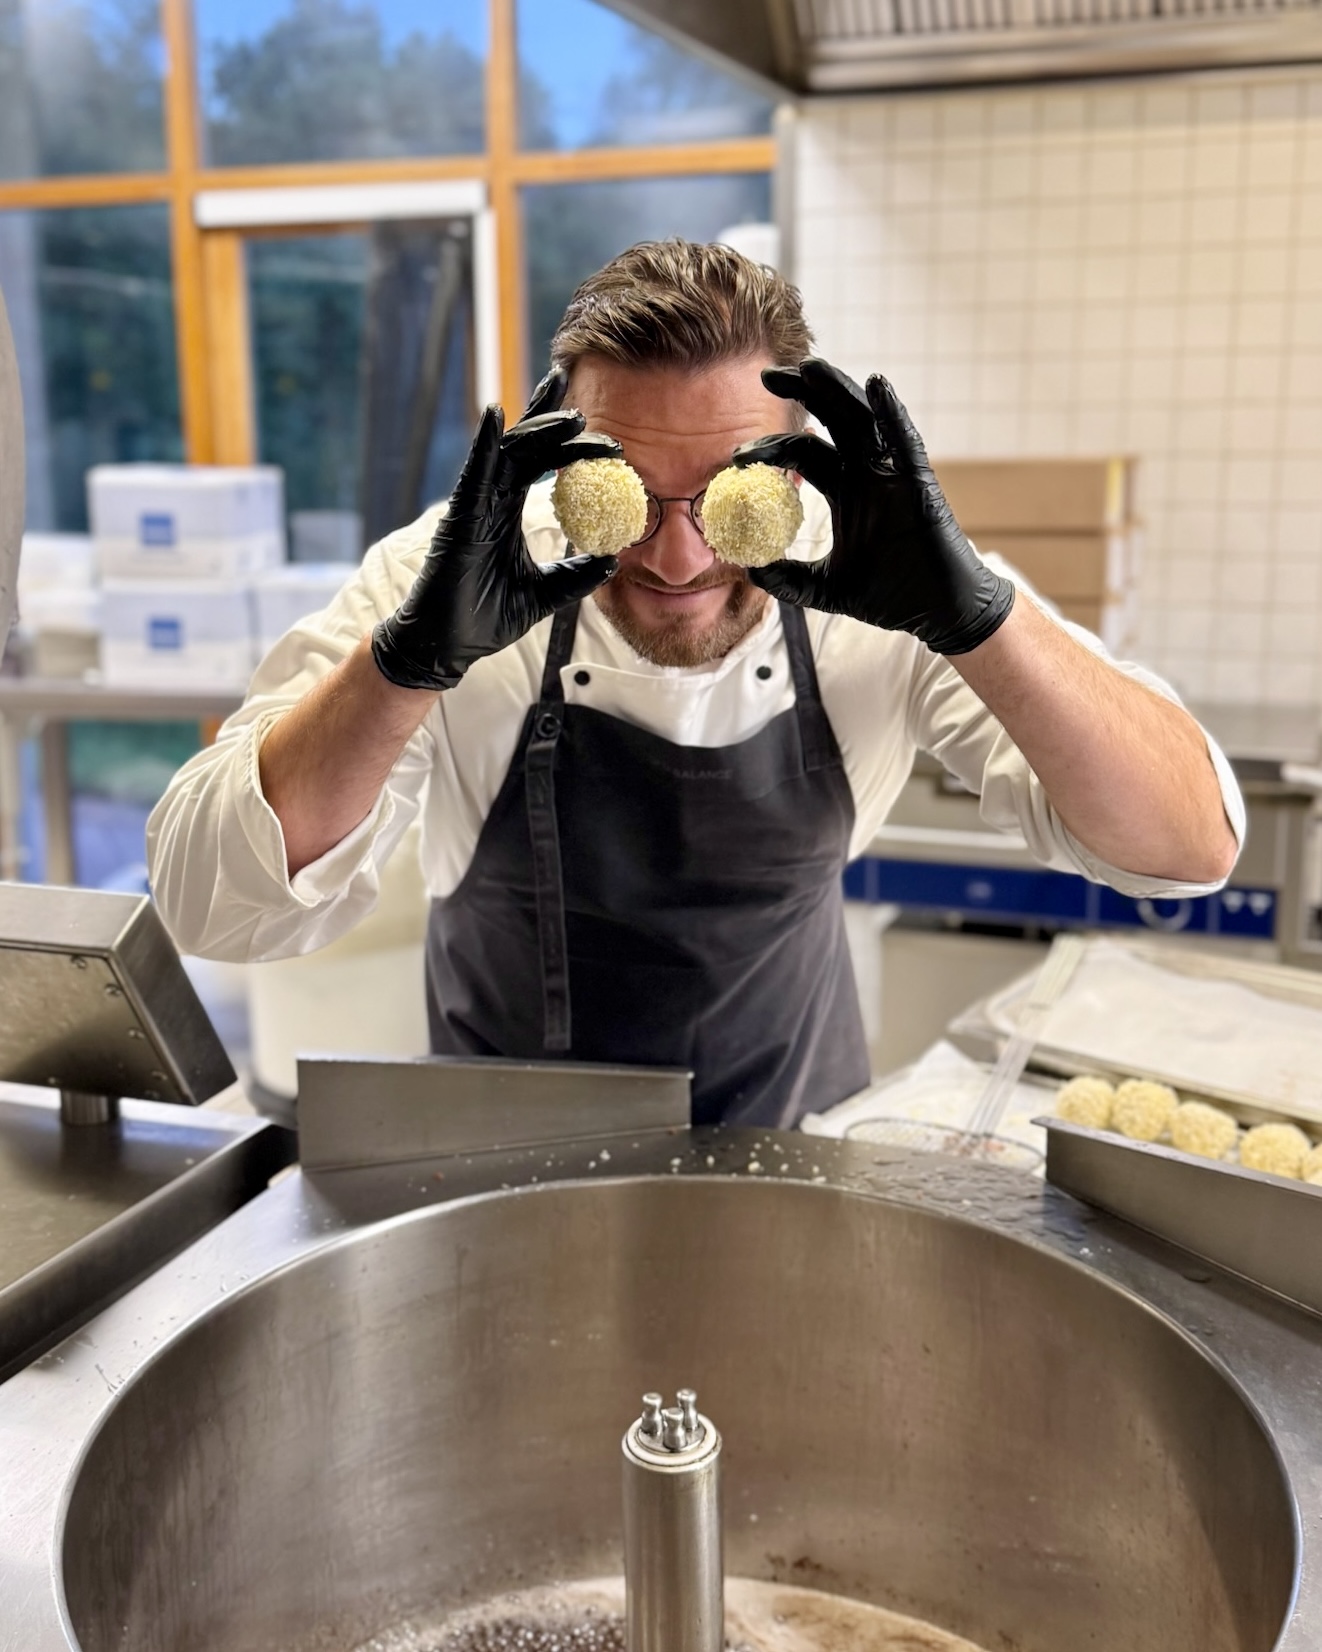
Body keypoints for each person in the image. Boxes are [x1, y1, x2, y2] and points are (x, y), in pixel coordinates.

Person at [148, 239, 1241, 1128]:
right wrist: (401, 667)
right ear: (563, 454)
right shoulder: (451, 577)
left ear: (798, 467)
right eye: (624, 489)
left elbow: (1186, 846)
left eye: (730, 496)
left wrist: (980, 619)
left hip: (794, 1155)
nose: (676, 562)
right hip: (502, 1181)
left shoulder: (882, 578)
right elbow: (209, 904)